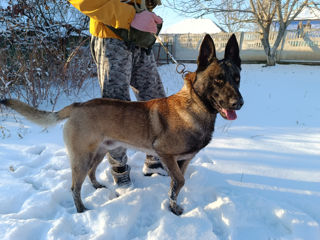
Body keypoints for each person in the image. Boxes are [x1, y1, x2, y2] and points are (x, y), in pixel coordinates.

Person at [69, 0, 167, 187]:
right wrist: (131, 16)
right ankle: (119, 166)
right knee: (116, 110)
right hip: (110, 36)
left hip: (139, 38)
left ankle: (155, 157)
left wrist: (148, 7)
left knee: (156, 100)